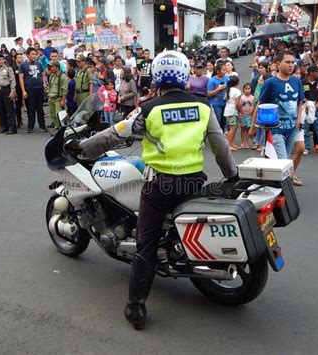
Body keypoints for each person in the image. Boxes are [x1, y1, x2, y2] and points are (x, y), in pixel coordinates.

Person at [70, 50, 237, 330]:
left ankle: (136, 307)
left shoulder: (147, 109)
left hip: (160, 186)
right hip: (193, 182)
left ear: (157, 77)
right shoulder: (203, 108)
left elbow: (115, 134)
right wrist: (231, 176)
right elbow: (220, 147)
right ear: (184, 76)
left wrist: (82, 148)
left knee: (145, 247)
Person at [249, 50, 305, 159]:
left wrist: (298, 120)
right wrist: (253, 127)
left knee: (283, 161)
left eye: (292, 63)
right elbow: (259, 105)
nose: (291, 65)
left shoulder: (297, 81)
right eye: (287, 62)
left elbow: (299, 102)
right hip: (275, 130)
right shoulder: (270, 83)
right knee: (282, 161)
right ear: (278, 64)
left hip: (292, 129)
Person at [19, 47, 47, 133]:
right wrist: (23, 91)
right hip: (29, 90)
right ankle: (30, 126)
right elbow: (21, 78)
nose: (34, 56)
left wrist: (44, 84)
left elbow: (43, 74)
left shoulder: (38, 64)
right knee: (31, 109)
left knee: (40, 108)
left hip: (39, 89)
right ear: (28, 55)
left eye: (35, 54)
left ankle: (42, 126)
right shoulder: (23, 65)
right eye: (32, 54)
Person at [0, 53, 17, 134]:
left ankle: (12, 128)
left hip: (6, 90)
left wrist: (12, 92)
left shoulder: (8, 68)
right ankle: (3, 126)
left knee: (9, 110)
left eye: (2, 59)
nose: (2, 61)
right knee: (1, 110)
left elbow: (13, 81)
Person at [47, 59, 68, 130]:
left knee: (58, 115)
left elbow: (65, 89)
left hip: (58, 99)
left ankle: (61, 129)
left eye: (52, 67)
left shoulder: (62, 76)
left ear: (57, 67)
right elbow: (50, 86)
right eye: (50, 67)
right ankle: (57, 128)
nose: (50, 68)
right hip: (51, 98)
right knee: (53, 115)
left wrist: (63, 100)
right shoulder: (52, 76)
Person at [207, 63, 228, 131]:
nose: (225, 72)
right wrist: (218, 89)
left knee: (224, 121)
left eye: (226, 70)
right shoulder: (212, 80)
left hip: (225, 102)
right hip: (216, 104)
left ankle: (223, 134)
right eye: (223, 70)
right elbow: (208, 94)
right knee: (217, 120)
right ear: (218, 71)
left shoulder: (226, 78)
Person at [224, 76, 242, 150]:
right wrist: (240, 110)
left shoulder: (228, 90)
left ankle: (231, 143)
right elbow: (237, 104)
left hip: (228, 110)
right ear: (237, 83)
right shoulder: (237, 91)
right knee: (232, 128)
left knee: (234, 127)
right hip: (232, 111)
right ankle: (228, 145)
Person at [238, 83, 255, 149]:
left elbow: (253, 105)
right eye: (245, 89)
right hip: (242, 115)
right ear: (243, 90)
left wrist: (252, 110)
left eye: (249, 89)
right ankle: (242, 142)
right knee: (243, 128)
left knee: (248, 128)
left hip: (249, 115)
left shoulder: (253, 97)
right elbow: (239, 105)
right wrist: (241, 112)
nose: (247, 90)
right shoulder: (241, 97)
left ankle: (246, 142)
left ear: (251, 90)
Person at [12, 52, 26, 128]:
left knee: (28, 104)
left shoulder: (25, 66)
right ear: (15, 59)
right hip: (17, 88)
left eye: (21, 57)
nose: (21, 58)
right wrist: (13, 90)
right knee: (18, 105)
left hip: (25, 87)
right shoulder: (13, 68)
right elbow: (12, 79)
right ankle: (19, 120)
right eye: (19, 57)